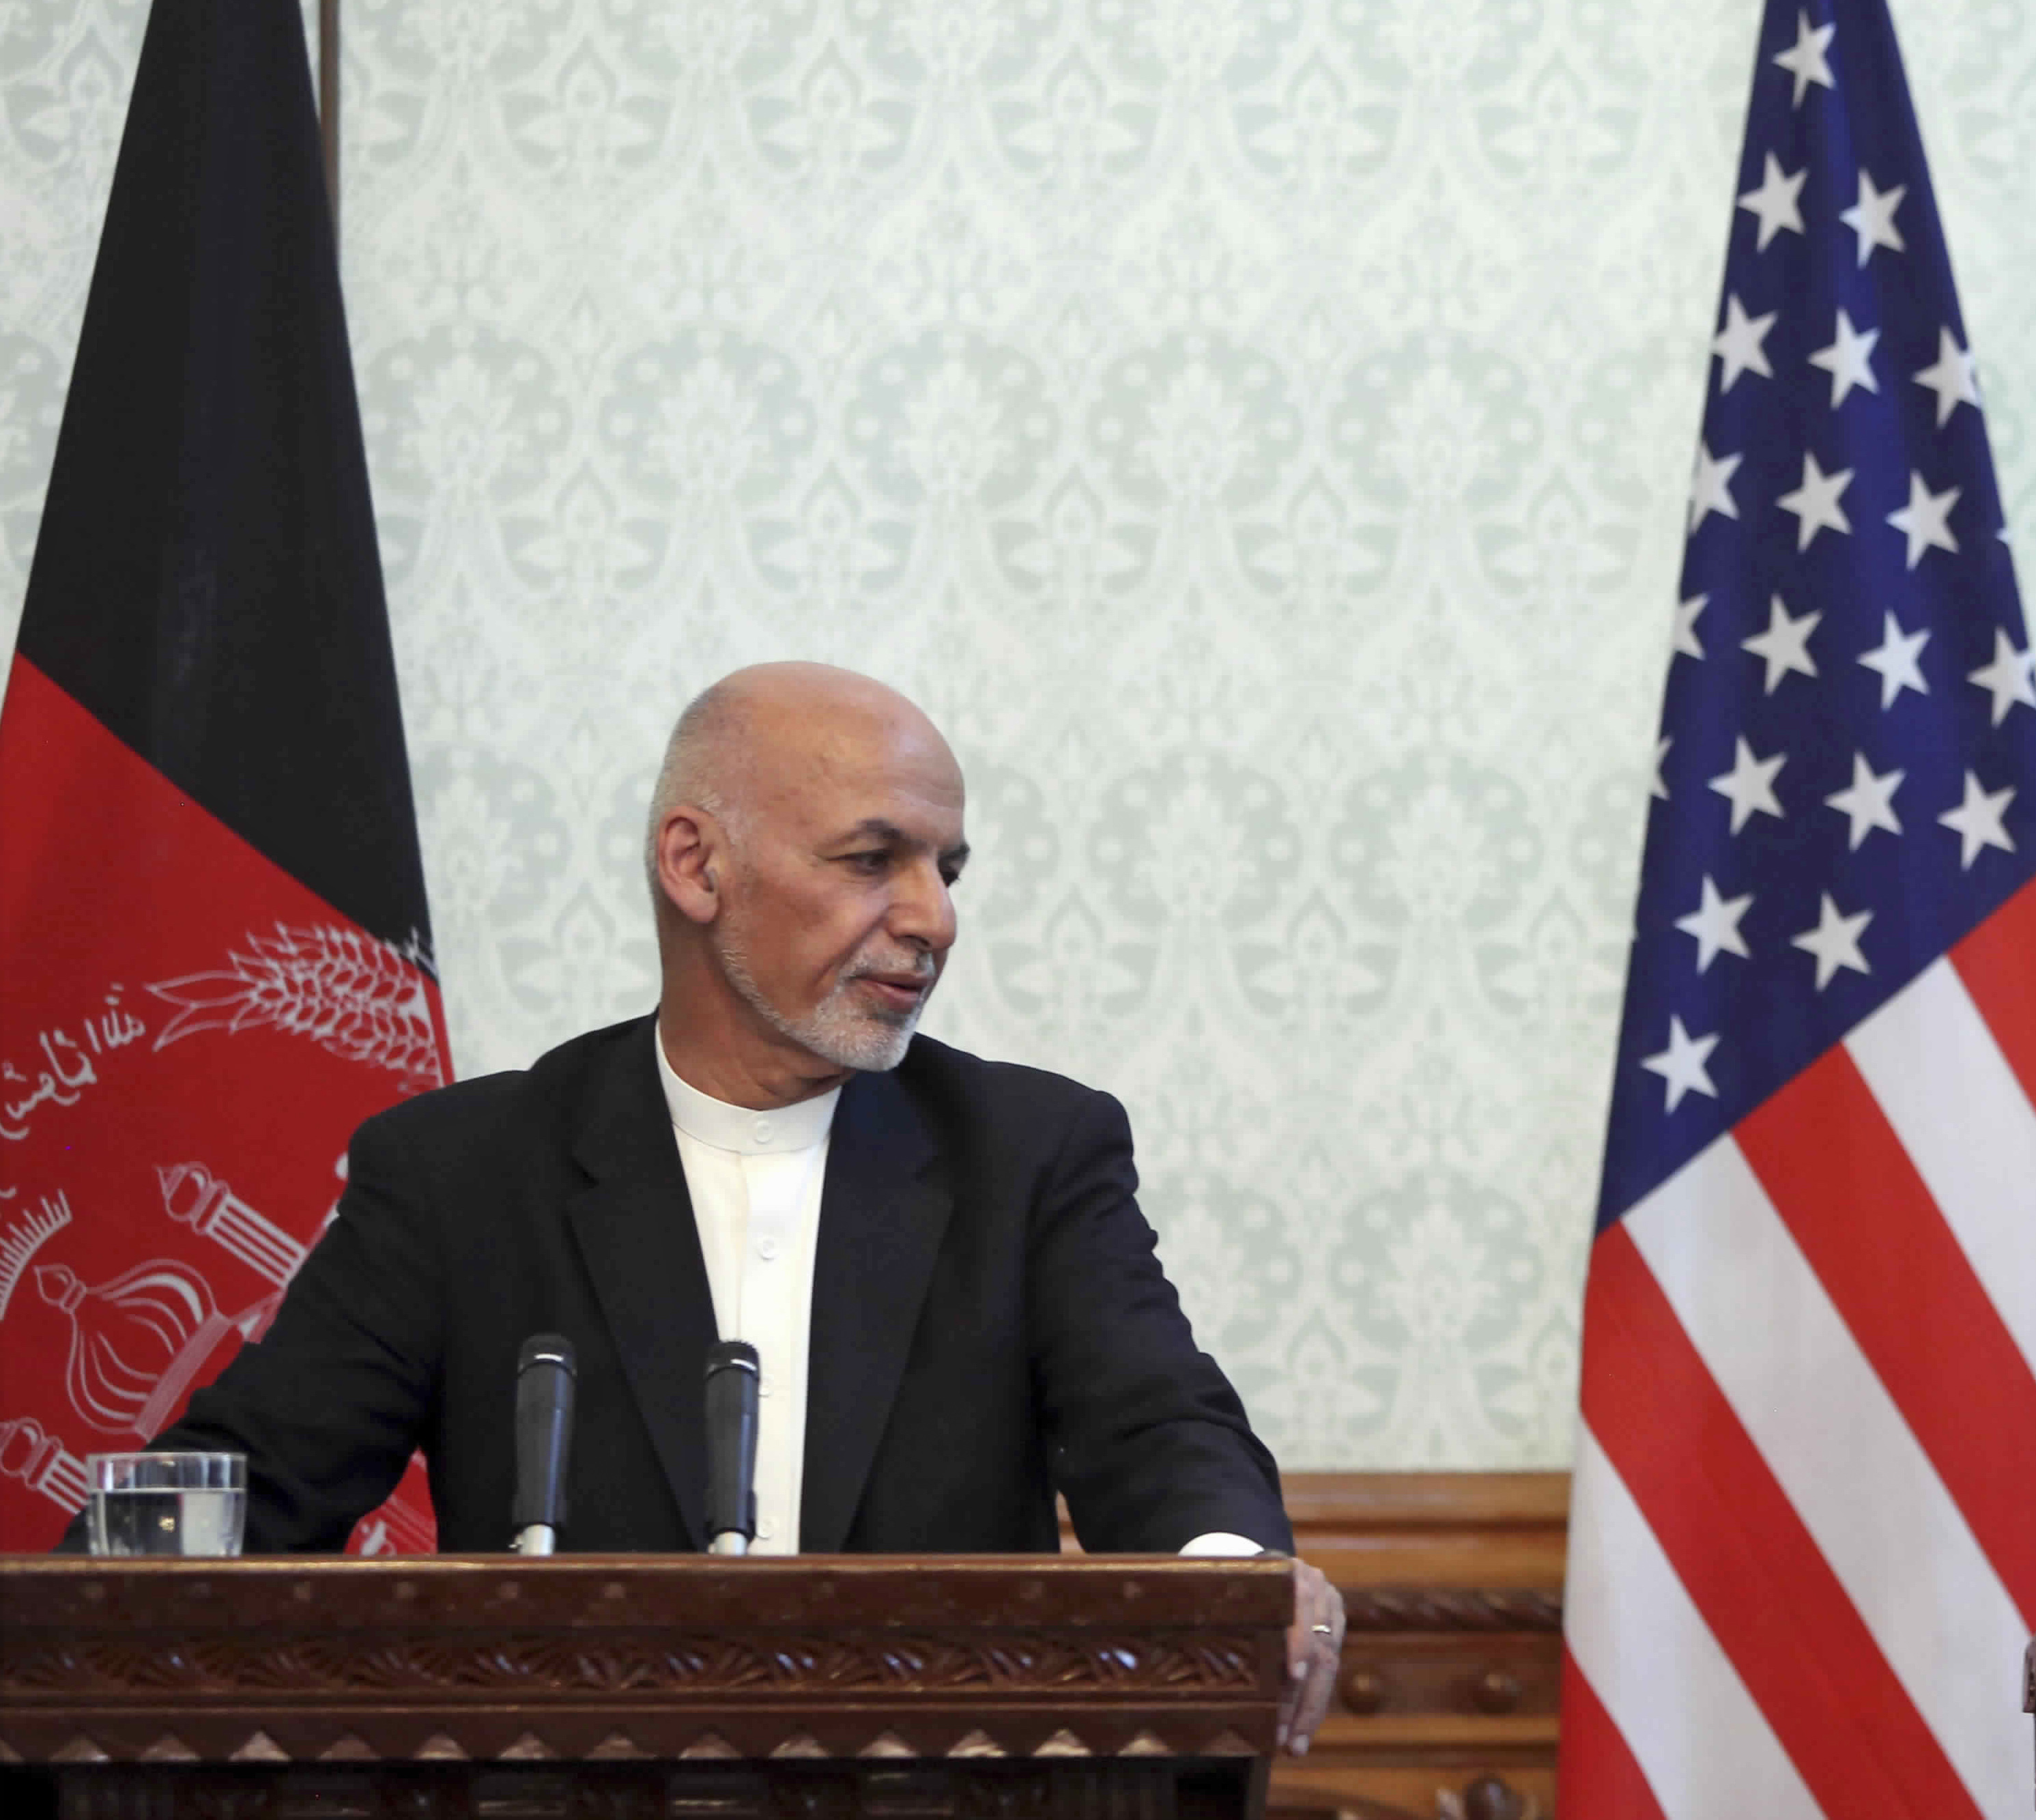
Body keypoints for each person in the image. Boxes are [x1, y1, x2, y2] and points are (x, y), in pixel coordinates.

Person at [102, 662, 1346, 1745]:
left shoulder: (1028, 1152)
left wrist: (1239, 1579)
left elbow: (1157, 1426)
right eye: (874, 860)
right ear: (696, 865)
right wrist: (92, 1622)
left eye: (947, 869)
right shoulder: (464, 1172)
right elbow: (254, 1484)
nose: (935, 918)